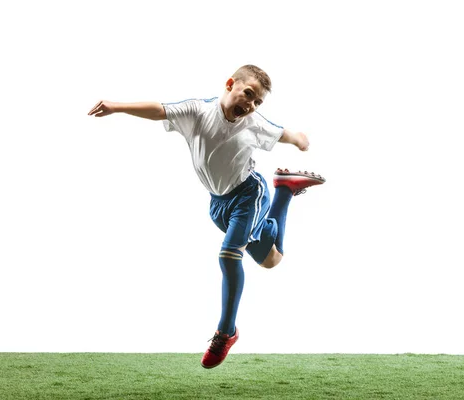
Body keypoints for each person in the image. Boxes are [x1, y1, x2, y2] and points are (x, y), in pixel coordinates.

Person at [88, 65, 325, 368]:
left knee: (229, 255)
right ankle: (285, 191)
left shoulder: (253, 122)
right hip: (218, 204)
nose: (250, 104)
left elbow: (284, 134)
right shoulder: (198, 111)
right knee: (271, 260)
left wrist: (300, 140)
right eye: (248, 94)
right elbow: (159, 109)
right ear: (230, 84)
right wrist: (115, 107)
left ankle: (226, 333)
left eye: (257, 102)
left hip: (248, 194)